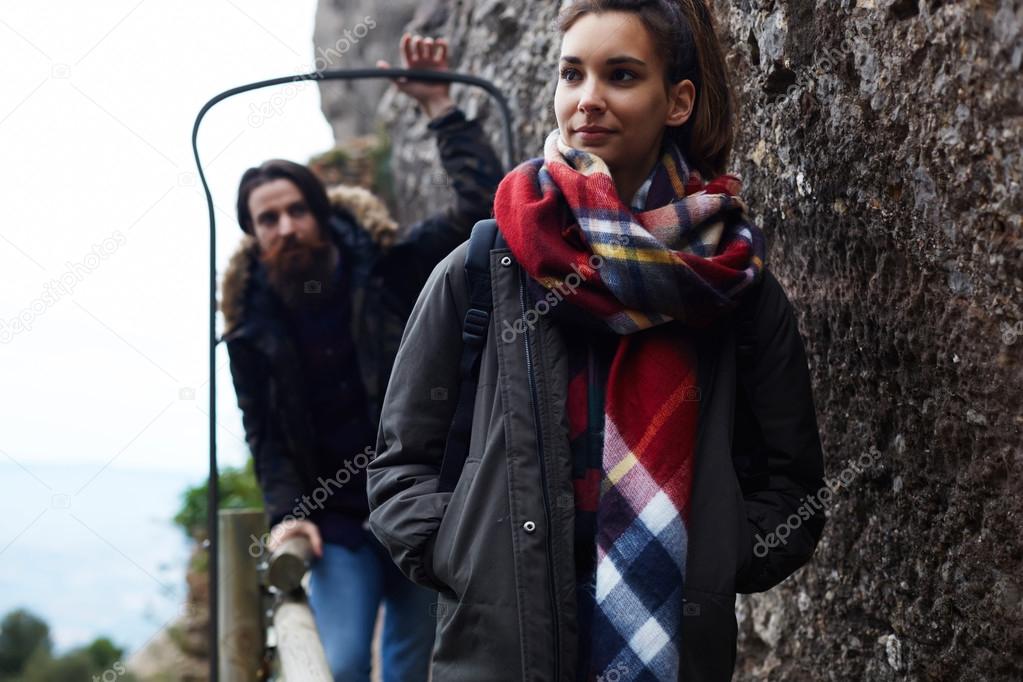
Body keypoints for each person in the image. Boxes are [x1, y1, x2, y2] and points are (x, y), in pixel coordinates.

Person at [365, 2, 827, 681]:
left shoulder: (732, 286)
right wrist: (462, 554)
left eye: (620, 75)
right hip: (498, 654)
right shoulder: (483, 267)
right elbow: (399, 461)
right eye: (571, 74)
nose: (587, 100)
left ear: (676, 102)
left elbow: (793, 483)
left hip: (671, 648)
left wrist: (716, 555)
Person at [221, 33, 503, 682]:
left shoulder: (388, 270)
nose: (286, 226)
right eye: (268, 219)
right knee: (338, 664)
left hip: (418, 499)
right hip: (337, 521)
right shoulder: (251, 334)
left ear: (321, 213)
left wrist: (437, 105)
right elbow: (266, 439)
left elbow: (482, 214)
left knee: (415, 669)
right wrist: (289, 516)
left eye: (296, 210)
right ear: (253, 235)